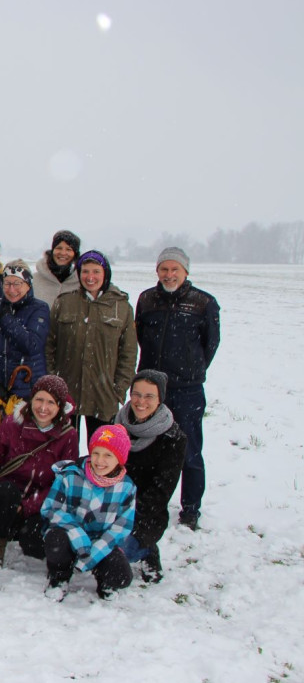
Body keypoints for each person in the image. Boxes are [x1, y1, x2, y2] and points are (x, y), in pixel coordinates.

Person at [134, 246, 220, 531]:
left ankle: (191, 508)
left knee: (189, 449)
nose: (169, 275)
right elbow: (141, 336)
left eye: (175, 270)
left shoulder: (203, 303)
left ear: (185, 272)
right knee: (146, 444)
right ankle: (146, 499)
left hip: (186, 389)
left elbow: (210, 344)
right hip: (150, 389)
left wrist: (190, 369)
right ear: (157, 271)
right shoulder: (146, 299)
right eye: (164, 269)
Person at [0, 374, 77, 567]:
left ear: (60, 406)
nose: (43, 407)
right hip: (8, 495)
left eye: (51, 402)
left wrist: (27, 506)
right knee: (4, 493)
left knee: (34, 545)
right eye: (39, 399)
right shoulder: (12, 424)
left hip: (40, 501)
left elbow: (64, 482)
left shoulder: (68, 436)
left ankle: (21, 531)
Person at [46, 250, 137, 442]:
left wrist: (118, 389)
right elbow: (50, 344)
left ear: (105, 273)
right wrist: (53, 380)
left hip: (103, 396)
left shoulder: (121, 306)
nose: (90, 277)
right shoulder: (65, 302)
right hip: (66, 394)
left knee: (101, 452)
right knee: (64, 451)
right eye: (85, 271)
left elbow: (128, 353)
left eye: (96, 271)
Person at [41, 424, 136, 601]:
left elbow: (121, 527)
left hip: (100, 540)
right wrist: (78, 537)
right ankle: (59, 577)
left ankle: (104, 579)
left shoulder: (127, 487)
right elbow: (51, 508)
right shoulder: (70, 475)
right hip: (69, 534)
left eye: (108, 455)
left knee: (121, 576)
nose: (100, 461)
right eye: (96, 453)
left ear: (120, 459)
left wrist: (92, 554)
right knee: (55, 540)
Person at [113, 370, 186, 581]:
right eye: (136, 394)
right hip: (112, 504)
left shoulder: (172, 438)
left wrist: (130, 520)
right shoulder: (116, 424)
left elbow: (161, 491)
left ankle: (146, 550)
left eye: (149, 396)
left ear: (160, 399)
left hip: (146, 513)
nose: (140, 401)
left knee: (115, 554)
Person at [0, 260, 49, 400]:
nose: (11, 289)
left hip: (28, 388)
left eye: (17, 284)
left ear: (28, 285)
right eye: (7, 283)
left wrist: (7, 319)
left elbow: (31, 345)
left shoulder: (40, 308)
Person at [32, 230, 81, 309]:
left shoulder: (80, 283)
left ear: (75, 254)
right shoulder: (34, 280)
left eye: (68, 249)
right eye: (59, 248)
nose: (63, 253)